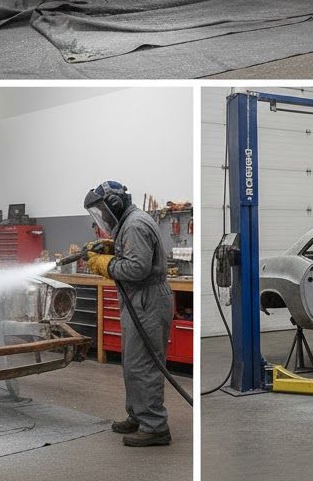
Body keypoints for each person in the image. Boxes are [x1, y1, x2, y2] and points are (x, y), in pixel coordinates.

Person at [84, 180, 174, 446]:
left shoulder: (134, 225)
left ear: (114, 204)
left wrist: (105, 263)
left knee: (143, 365)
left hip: (147, 298)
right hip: (140, 299)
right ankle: (138, 415)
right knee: (133, 363)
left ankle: (155, 426)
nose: (102, 217)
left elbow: (136, 269)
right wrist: (113, 249)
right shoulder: (130, 222)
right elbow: (135, 256)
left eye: (102, 211)